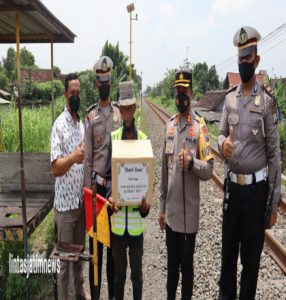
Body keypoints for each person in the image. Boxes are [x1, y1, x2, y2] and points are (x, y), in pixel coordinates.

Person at [218, 26, 281, 300]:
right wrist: (223, 145)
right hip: (232, 191)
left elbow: (274, 154)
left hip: (256, 194)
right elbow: (219, 135)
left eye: (248, 58)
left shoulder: (267, 102)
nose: (243, 63)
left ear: (257, 60)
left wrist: (274, 201)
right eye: (240, 59)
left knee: (251, 264)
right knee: (228, 257)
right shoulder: (229, 98)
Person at [159, 68, 214, 299]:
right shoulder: (170, 126)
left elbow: (210, 170)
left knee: (187, 270)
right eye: (177, 91)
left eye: (184, 91)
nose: (180, 96)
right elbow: (164, 170)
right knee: (171, 270)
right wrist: (161, 209)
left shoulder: (200, 128)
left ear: (192, 93)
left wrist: (192, 164)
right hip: (171, 214)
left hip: (189, 216)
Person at [105, 80, 150, 300]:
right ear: (120, 109)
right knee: (118, 277)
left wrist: (145, 207)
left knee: (137, 277)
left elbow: (147, 183)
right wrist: (109, 198)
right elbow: (107, 177)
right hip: (117, 225)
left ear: (134, 108)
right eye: (123, 107)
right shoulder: (113, 139)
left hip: (136, 226)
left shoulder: (143, 140)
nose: (126, 111)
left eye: (130, 107)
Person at [83, 56, 121, 300]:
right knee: (95, 253)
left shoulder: (119, 114)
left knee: (114, 254)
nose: (105, 84)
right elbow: (87, 159)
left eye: (107, 80)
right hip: (96, 192)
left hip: (114, 194)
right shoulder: (91, 117)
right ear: (96, 84)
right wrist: (87, 194)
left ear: (111, 80)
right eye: (101, 81)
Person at [50, 73, 89, 300]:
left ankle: (79, 294)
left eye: (78, 93)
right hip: (65, 208)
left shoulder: (81, 124)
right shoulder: (59, 126)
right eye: (71, 93)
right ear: (65, 94)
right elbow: (55, 168)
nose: (75, 96)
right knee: (64, 263)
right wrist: (74, 157)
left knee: (78, 257)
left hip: (80, 204)